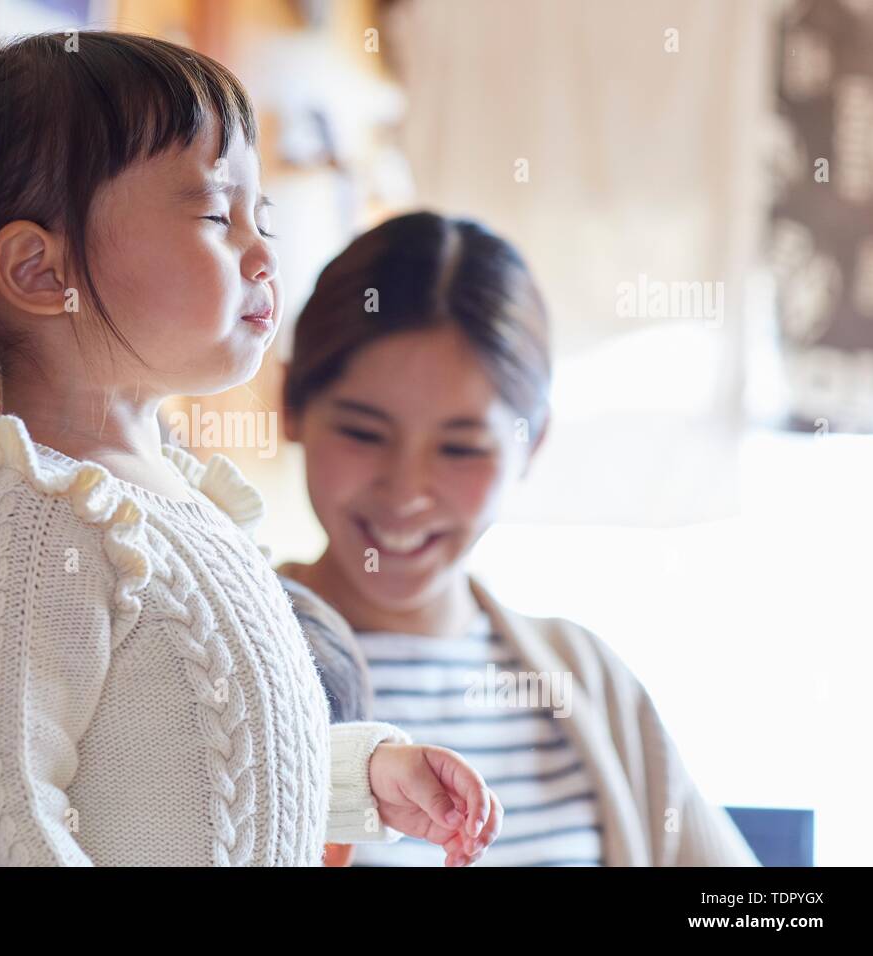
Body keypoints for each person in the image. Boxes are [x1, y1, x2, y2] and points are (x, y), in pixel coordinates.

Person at [0, 32, 502, 866]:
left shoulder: (183, 503)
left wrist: (363, 774)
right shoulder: (29, 520)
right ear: (41, 273)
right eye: (215, 216)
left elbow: (198, 763)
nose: (264, 254)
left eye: (260, 218)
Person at [279, 211, 759, 866]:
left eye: (460, 447)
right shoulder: (213, 650)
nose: (407, 492)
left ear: (532, 444)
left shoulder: (587, 679)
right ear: (291, 408)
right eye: (364, 433)